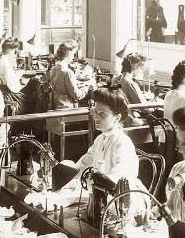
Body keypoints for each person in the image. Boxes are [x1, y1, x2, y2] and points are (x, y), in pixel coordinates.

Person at [59, 86, 149, 216]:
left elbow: (116, 180)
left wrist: (93, 183)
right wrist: (64, 171)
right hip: (104, 198)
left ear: (117, 118)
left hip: (123, 205)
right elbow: (82, 166)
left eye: (102, 114)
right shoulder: (100, 139)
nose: (96, 117)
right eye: (95, 112)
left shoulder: (123, 143)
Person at [48, 40, 91, 109]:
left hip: (54, 104)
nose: (73, 57)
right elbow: (77, 95)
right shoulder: (67, 72)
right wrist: (86, 87)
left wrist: (77, 84)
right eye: (73, 54)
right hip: (66, 108)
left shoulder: (54, 68)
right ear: (69, 53)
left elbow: (62, 86)